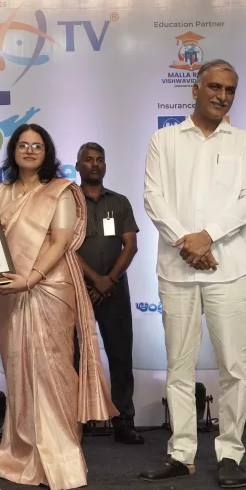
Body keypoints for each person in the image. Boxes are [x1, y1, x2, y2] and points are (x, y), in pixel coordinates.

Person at [140, 59, 246, 489]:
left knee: (233, 367)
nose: (222, 96)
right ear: (195, 89)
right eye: (214, 87)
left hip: (230, 270)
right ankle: (181, 453)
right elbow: (153, 198)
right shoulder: (164, 139)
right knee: (178, 367)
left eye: (230, 90)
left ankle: (230, 453)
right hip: (177, 270)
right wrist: (187, 243)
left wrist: (207, 237)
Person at [0, 125, 113, 490]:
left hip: (49, 286)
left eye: (37, 146)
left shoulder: (60, 190)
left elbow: (60, 242)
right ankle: (23, 454)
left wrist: (31, 278)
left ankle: (60, 458)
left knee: (52, 369)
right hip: (9, 289)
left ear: (47, 153)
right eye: (23, 145)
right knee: (19, 370)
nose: (30, 150)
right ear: (13, 150)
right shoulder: (0, 192)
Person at [73, 142, 142, 444]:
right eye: (88, 160)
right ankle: (77, 422)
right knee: (75, 358)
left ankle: (124, 422)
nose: (95, 164)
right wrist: (94, 280)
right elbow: (65, 247)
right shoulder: (68, 202)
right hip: (79, 290)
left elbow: (131, 246)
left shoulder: (120, 202)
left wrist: (108, 280)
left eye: (100, 159)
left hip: (115, 290)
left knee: (120, 357)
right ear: (78, 166)